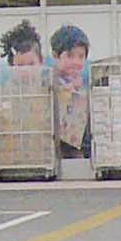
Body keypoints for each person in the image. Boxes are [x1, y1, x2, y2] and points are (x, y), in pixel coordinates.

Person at [49, 24, 90, 158]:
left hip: (77, 150)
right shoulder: (49, 83)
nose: (76, 62)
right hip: (56, 152)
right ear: (55, 56)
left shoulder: (83, 84)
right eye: (70, 56)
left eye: (81, 56)